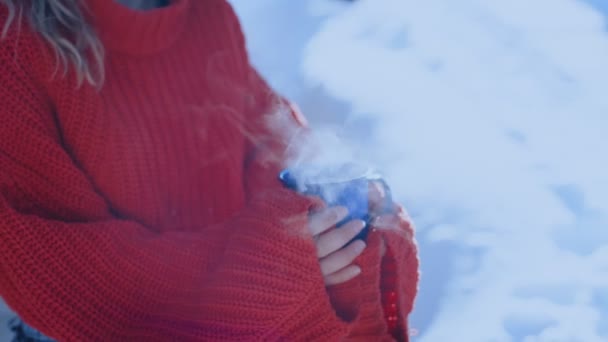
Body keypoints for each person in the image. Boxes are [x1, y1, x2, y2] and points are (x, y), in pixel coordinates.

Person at [0, 0, 419, 340]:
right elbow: (69, 272)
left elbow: (263, 138)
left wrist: (339, 213)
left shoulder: (205, 14)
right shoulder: (15, 44)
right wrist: (268, 267)